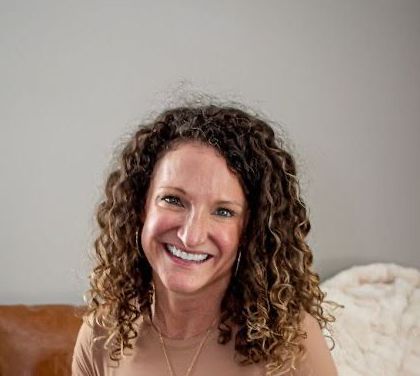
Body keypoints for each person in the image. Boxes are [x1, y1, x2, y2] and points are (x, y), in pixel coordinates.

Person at [72, 104, 338, 376]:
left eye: (223, 212)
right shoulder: (100, 336)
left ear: (249, 229)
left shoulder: (292, 343)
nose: (191, 236)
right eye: (173, 200)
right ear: (141, 206)